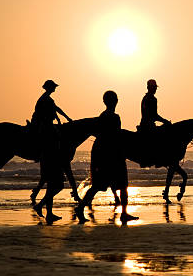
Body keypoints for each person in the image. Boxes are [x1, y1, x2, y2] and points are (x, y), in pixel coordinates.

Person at [77, 91, 137, 223]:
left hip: (102, 154)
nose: (116, 101)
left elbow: (102, 137)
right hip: (113, 155)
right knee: (122, 185)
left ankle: (80, 207)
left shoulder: (102, 116)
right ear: (114, 101)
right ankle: (124, 214)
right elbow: (116, 136)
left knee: (98, 186)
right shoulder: (115, 117)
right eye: (115, 99)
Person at [31, 80, 72, 222]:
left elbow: (56, 110)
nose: (55, 88)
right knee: (58, 185)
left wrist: (64, 118)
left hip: (48, 149)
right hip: (51, 157)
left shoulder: (47, 99)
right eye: (53, 86)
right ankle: (41, 206)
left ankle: (48, 213)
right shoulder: (45, 101)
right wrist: (59, 122)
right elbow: (52, 113)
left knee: (52, 186)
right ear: (50, 88)